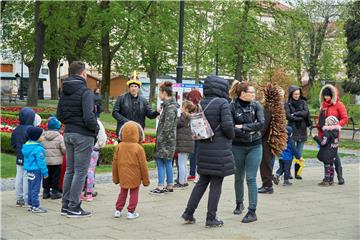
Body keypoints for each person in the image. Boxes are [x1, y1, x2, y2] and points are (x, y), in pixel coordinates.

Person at [181, 75, 235, 228]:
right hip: (219, 150)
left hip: (204, 148)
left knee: (202, 182)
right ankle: (211, 218)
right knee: (216, 183)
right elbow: (227, 127)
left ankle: (188, 213)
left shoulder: (201, 103)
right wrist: (233, 135)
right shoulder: (223, 103)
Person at [57, 61, 99, 218]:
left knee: (70, 170)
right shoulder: (85, 92)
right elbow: (89, 116)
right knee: (80, 172)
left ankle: (66, 205)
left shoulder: (64, 90)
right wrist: (96, 128)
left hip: (68, 133)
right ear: (83, 73)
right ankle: (74, 206)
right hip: (83, 135)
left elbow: (59, 115)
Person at [229, 80, 264, 223]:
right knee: (238, 176)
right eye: (252, 92)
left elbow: (261, 124)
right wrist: (249, 128)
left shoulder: (256, 105)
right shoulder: (231, 107)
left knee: (251, 178)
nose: (254, 95)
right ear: (243, 93)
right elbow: (230, 127)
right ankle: (239, 202)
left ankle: (252, 211)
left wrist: (242, 126)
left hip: (255, 146)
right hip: (237, 146)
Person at [112, 121, 150, 219]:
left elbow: (114, 163)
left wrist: (115, 178)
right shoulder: (138, 148)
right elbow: (143, 165)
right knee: (134, 193)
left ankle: (118, 210)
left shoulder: (119, 146)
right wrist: (146, 180)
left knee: (122, 192)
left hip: (123, 174)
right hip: (135, 176)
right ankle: (131, 211)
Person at [317, 84, 348, 185]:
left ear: (332, 95)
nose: (326, 97)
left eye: (328, 95)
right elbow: (320, 117)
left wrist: (336, 126)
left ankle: (340, 176)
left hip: (333, 134)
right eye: (325, 95)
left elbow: (344, 118)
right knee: (326, 156)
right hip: (323, 133)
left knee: (334, 155)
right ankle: (328, 177)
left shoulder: (339, 105)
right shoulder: (323, 105)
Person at [150, 81, 178, 194]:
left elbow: (167, 127)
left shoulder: (170, 107)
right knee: (167, 163)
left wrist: (160, 140)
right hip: (168, 140)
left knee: (161, 162)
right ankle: (169, 185)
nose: (158, 95)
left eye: (159, 92)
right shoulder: (169, 106)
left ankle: (161, 186)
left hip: (166, 141)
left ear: (164, 93)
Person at [259, 84, 287, 194]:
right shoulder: (277, 108)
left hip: (267, 140)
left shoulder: (269, 108)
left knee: (265, 163)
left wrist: (257, 136)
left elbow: (264, 125)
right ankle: (267, 184)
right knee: (268, 162)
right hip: (273, 139)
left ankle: (267, 186)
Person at [11, 107, 36, 207]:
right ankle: (26, 199)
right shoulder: (30, 129)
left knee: (19, 176)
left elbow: (13, 143)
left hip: (19, 156)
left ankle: (19, 198)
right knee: (27, 177)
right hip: (28, 157)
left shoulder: (16, 129)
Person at [285, 85, 310, 180]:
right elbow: (288, 116)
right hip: (292, 129)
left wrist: (295, 114)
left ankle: (297, 173)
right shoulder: (287, 103)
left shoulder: (303, 102)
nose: (297, 96)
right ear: (291, 94)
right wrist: (299, 116)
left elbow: (305, 113)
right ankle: (288, 173)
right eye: (295, 94)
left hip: (302, 129)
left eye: (298, 94)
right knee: (291, 151)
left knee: (299, 152)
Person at [22, 127, 49, 213]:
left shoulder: (27, 146)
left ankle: (30, 204)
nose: (44, 137)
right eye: (42, 135)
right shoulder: (38, 149)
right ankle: (36, 206)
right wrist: (45, 172)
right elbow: (41, 162)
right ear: (37, 137)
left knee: (31, 188)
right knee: (35, 189)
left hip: (29, 170)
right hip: (36, 171)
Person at [81, 118, 107, 201]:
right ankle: (89, 193)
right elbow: (102, 137)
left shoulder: (81, 120)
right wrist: (100, 144)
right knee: (90, 171)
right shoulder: (97, 122)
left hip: (82, 148)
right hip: (94, 149)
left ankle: (79, 193)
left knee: (80, 171)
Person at [313, 116, 341, 186]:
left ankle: (326, 180)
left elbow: (323, 143)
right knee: (331, 165)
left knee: (327, 165)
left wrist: (315, 137)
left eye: (326, 122)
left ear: (329, 123)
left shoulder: (327, 132)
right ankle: (331, 180)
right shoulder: (336, 131)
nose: (325, 123)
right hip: (333, 152)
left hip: (327, 152)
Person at [174, 100, 197, 189]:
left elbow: (176, 124)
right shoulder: (190, 117)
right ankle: (184, 181)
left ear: (186, 109)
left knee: (181, 163)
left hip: (182, 144)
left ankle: (181, 182)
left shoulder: (183, 117)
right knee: (184, 163)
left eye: (183, 107)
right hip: (188, 144)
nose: (181, 108)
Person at [42, 117, 66, 200]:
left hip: (45, 161)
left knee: (46, 176)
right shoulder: (59, 137)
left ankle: (46, 192)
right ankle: (55, 192)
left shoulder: (43, 135)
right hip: (57, 162)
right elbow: (64, 149)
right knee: (56, 177)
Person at [185, 88, 203, 181]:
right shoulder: (202, 106)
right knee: (198, 154)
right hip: (201, 134)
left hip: (193, 133)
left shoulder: (192, 107)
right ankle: (197, 174)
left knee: (193, 154)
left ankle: (193, 173)